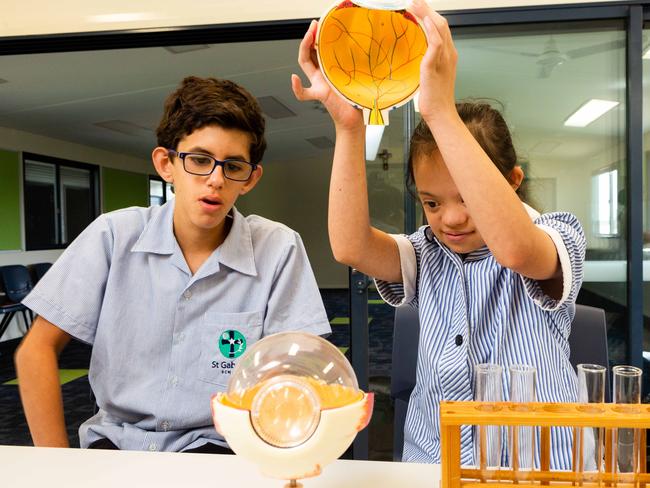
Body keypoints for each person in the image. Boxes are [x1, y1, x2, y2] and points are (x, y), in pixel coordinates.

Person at [292, 0, 585, 468]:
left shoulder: (555, 234)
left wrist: (439, 111)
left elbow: (513, 250)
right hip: (436, 461)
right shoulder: (426, 252)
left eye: (466, 197)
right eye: (431, 202)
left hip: (540, 463)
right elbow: (350, 246)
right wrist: (348, 127)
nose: (449, 219)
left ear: (510, 180)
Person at [15, 76, 331, 453]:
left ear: (250, 178)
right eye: (199, 160)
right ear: (166, 164)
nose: (215, 180)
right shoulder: (114, 236)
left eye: (233, 166)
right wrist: (56, 465)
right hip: (117, 441)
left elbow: (298, 373)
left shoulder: (277, 248)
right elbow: (36, 350)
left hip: (219, 446)